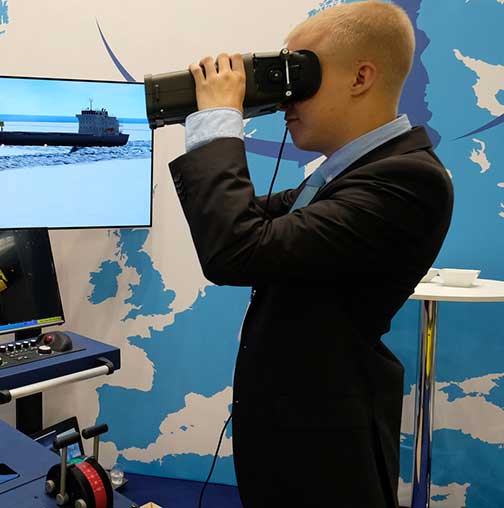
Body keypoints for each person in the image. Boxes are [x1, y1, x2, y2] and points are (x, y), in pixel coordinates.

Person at [168, 2, 453, 506]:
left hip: (328, 453)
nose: (285, 100)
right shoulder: (340, 176)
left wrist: (219, 119)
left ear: (361, 77)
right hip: (295, 435)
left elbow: (234, 249)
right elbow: (233, 223)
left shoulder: (407, 179)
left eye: (299, 74)